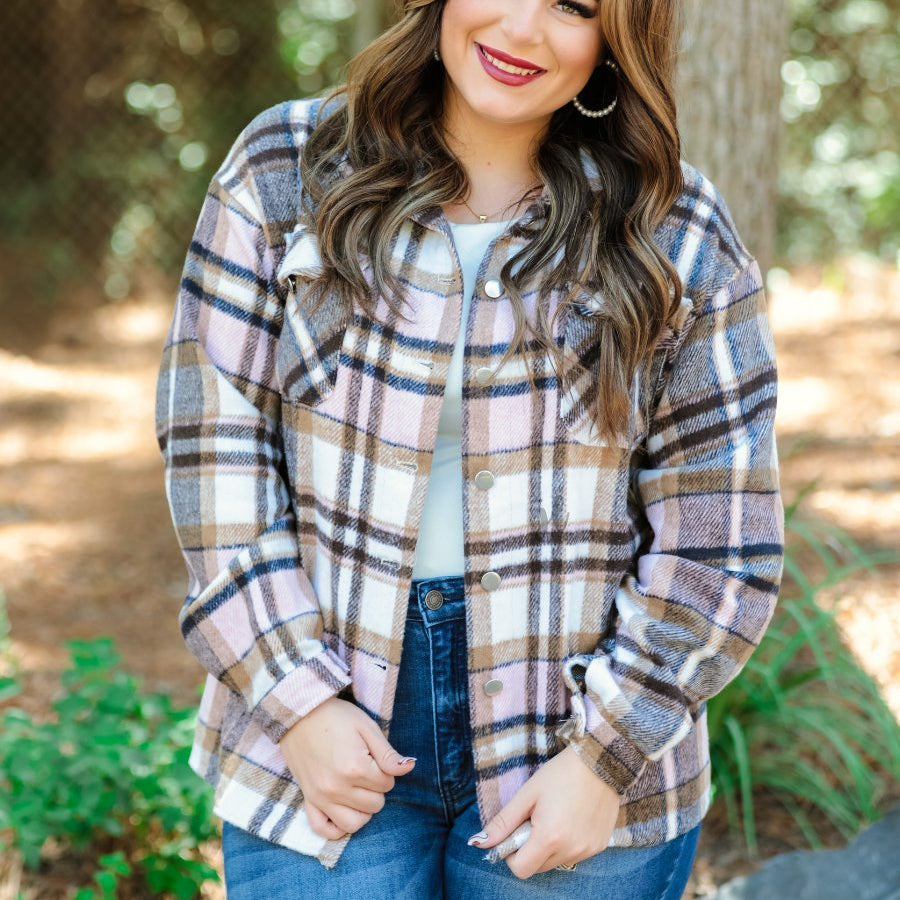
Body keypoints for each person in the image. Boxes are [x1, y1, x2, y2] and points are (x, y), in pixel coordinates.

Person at [155, 0, 784, 897]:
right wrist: (296, 700)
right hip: (323, 732)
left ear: (617, 37)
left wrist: (605, 756)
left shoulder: (676, 229)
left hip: (571, 751)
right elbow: (213, 447)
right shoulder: (287, 166)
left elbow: (723, 536)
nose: (523, 28)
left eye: (574, 5)